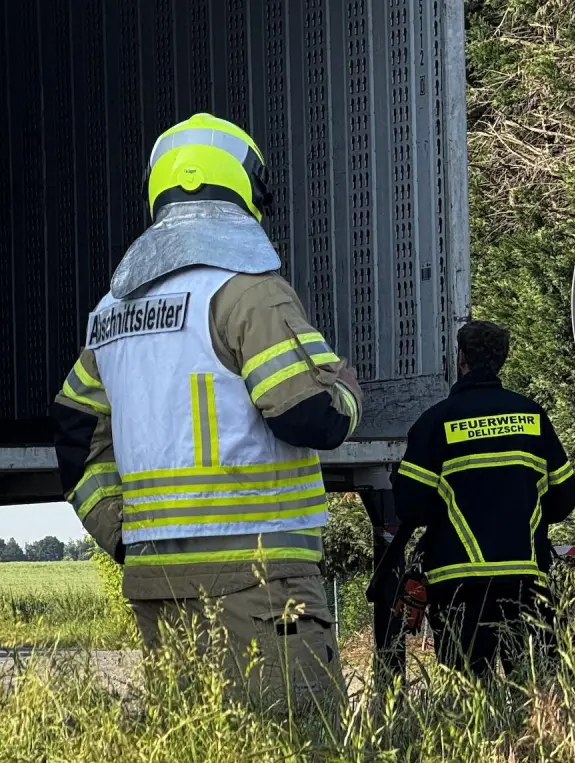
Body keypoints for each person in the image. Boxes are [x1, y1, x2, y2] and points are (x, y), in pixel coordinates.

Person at [52, 113, 363, 707]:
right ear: (245, 190)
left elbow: (74, 435)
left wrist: (124, 536)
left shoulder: (110, 314)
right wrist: (347, 391)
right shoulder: (247, 290)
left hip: (156, 582)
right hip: (259, 579)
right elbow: (307, 415)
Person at [392, 321, 575, 679]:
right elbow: (564, 498)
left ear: (461, 358)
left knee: (467, 696)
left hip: (458, 584)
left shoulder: (435, 423)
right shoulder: (533, 418)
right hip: (525, 581)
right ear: (502, 361)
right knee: (534, 690)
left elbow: (409, 507)